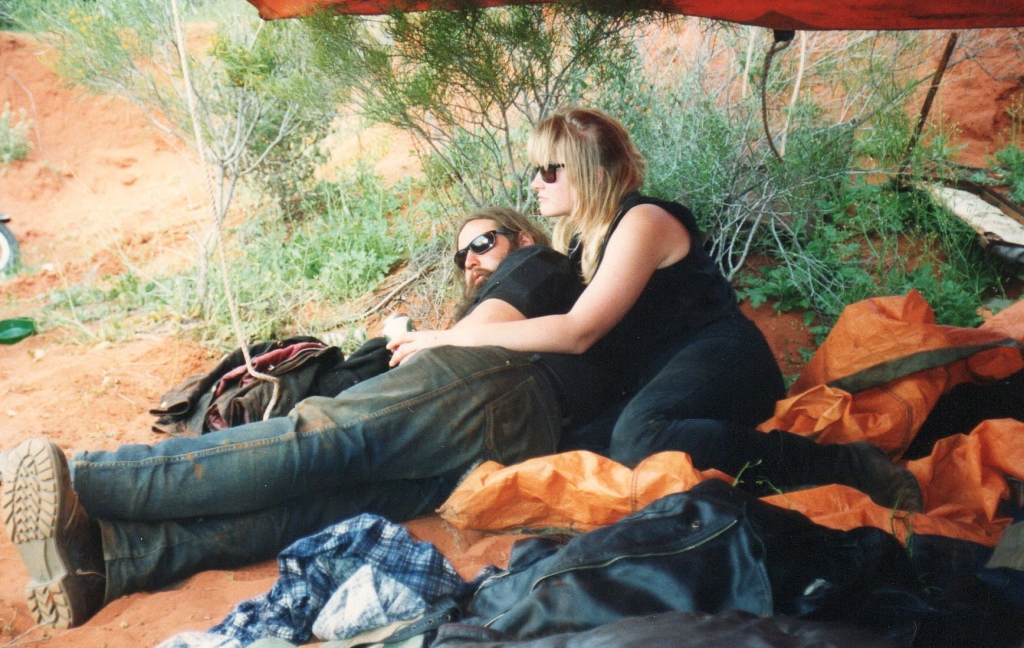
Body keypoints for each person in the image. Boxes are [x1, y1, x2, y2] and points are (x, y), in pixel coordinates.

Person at [0, 207, 623, 629]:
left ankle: (84, 481)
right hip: (516, 441)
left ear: (523, 237)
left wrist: (427, 338)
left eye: (485, 242)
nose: (473, 261)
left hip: (493, 385)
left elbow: (473, 338)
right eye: (462, 257)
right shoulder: (554, 300)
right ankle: (109, 565)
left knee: (312, 442)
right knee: (318, 507)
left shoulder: (538, 266)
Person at [390, 108, 923, 507]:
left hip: (722, 358)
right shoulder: (583, 242)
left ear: (590, 170)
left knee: (638, 435)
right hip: (660, 376)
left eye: (548, 170)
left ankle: (842, 465)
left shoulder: (642, 221)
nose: (535, 183)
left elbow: (578, 331)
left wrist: (444, 337)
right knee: (572, 451)